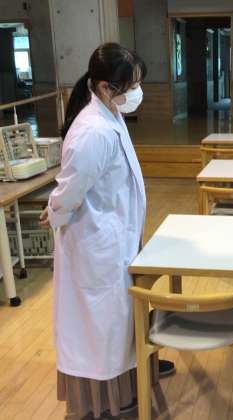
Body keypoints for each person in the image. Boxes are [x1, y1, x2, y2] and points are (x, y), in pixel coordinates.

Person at [39, 43, 174, 419]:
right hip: (97, 245)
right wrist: (55, 210)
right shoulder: (92, 131)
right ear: (104, 86)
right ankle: (110, 400)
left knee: (119, 320)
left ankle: (134, 373)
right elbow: (71, 189)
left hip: (115, 234)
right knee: (103, 328)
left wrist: (58, 206)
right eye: (132, 86)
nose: (137, 92)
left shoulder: (109, 114)